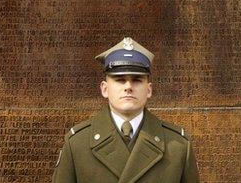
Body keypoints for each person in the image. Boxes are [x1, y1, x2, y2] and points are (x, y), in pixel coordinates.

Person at [52, 37, 200, 183]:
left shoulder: (177, 146)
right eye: (120, 79)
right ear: (105, 89)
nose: (128, 87)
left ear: (149, 90)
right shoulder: (77, 144)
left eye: (137, 80)